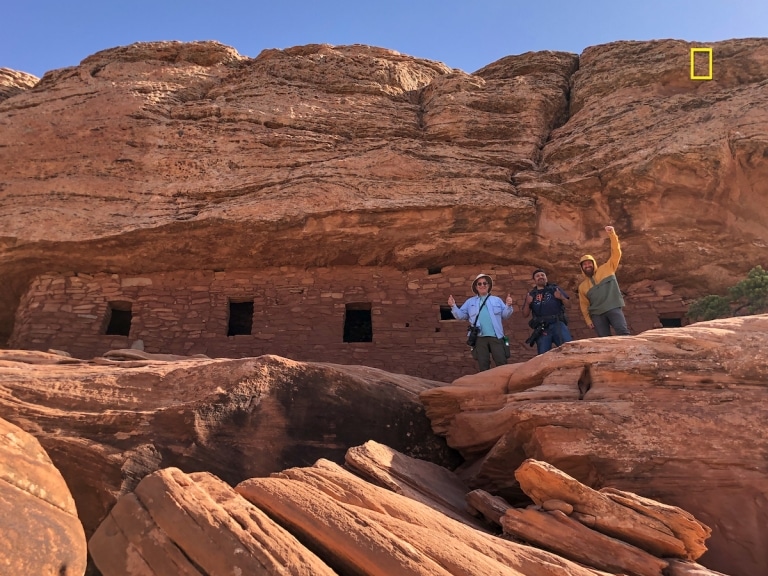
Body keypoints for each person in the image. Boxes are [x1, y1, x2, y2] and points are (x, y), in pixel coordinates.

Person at [448, 273, 514, 371]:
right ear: (476, 287)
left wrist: (508, 305)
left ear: (488, 285)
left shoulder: (497, 300)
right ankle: (486, 385)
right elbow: (461, 316)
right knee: (483, 365)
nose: (482, 285)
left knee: (502, 362)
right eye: (479, 284)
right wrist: (453, 306)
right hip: (479, 338)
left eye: (484, 283)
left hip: (496, 336)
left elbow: (505, 315)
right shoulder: (470, 302)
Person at [578, 225, 630, 337]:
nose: (587, 265)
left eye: (589, 263)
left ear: (593, 263)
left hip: (613, 307)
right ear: (582, 268)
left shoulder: (607, 268)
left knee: (623, 333)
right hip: (597, 314)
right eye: (584, 264)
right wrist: (588, 320)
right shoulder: (582, 286)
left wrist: (612, 234)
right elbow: (584, 305)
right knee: (604, 340)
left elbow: (616, 253)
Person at [523, 269, 572, 354]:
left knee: (568, 349)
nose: (540, 277)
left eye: (542, 275)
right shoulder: (532, 294)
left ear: (546, 278)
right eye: (537, 276)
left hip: (558, 324)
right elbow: (525, 314)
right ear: (534, 280)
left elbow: (569, 305)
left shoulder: (555, 289)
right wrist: (527, 303)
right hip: (542, 327)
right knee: (543, 355)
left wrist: (562, 297)